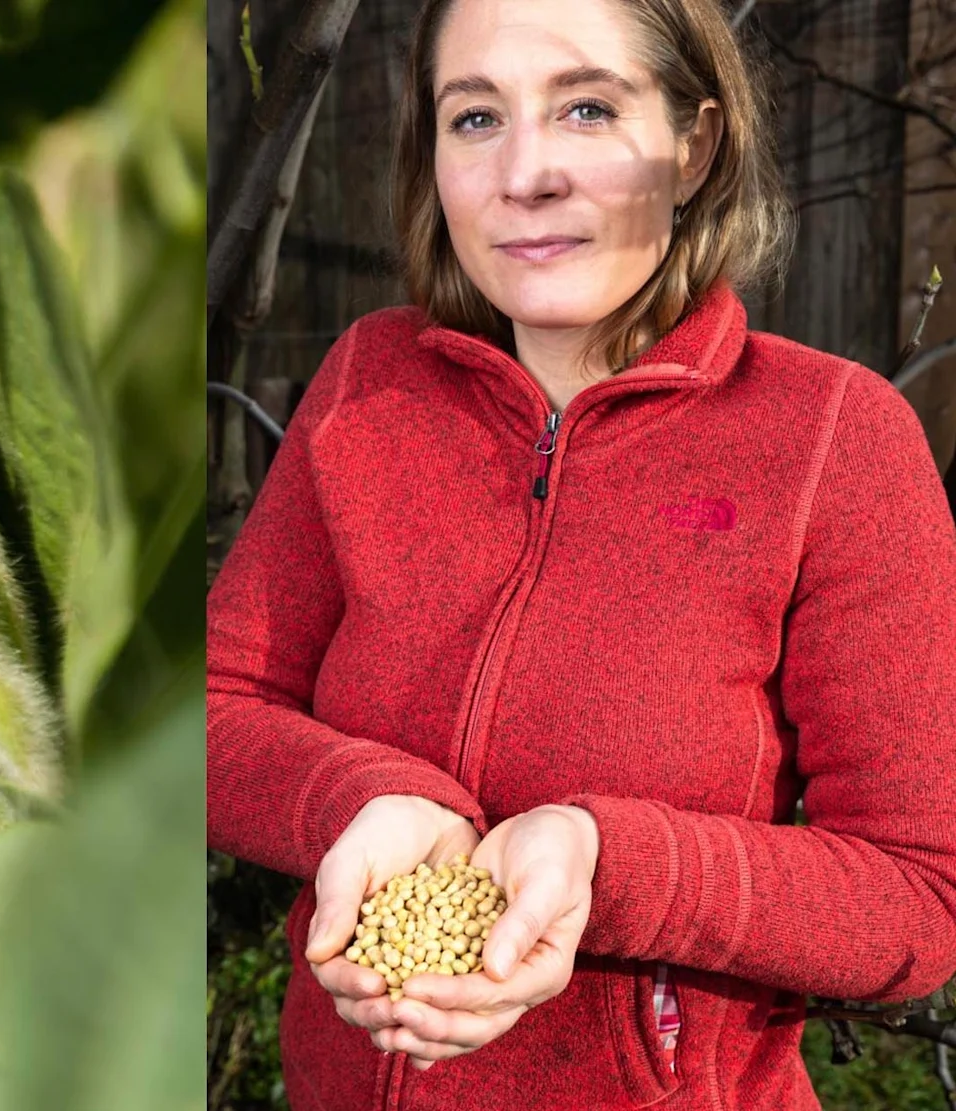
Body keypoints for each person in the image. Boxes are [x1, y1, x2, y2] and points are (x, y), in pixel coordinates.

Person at [205, 0, 956, 1107]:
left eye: (589, 109)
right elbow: (216, 706)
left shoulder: (832, 441)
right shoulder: (370, 385)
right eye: (475, 118)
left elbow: (918, 897)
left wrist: (607, 863)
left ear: (694, 146)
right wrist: (355, 801)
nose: (526, 174)